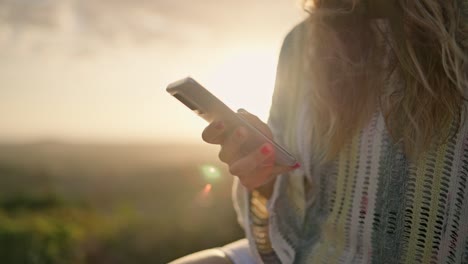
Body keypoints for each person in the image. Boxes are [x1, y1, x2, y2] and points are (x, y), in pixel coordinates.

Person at [170, 0, 468, 263]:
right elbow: (300, 193)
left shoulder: (459, 35)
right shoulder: (301, 44)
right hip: (314, 250)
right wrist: (263, 178)